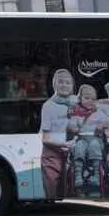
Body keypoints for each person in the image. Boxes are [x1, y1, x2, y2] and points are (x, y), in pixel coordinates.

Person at [39, 68, 77, 199]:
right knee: (52, 193)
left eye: (68, 83)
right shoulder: (48, 106)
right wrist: (64, 144)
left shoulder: (76, 103)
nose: (64, 85)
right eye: (61, 82)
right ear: (54, 84)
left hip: (71, 156)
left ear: (72, 86)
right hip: (52, 157)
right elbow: (45, 139)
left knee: (69, 194)